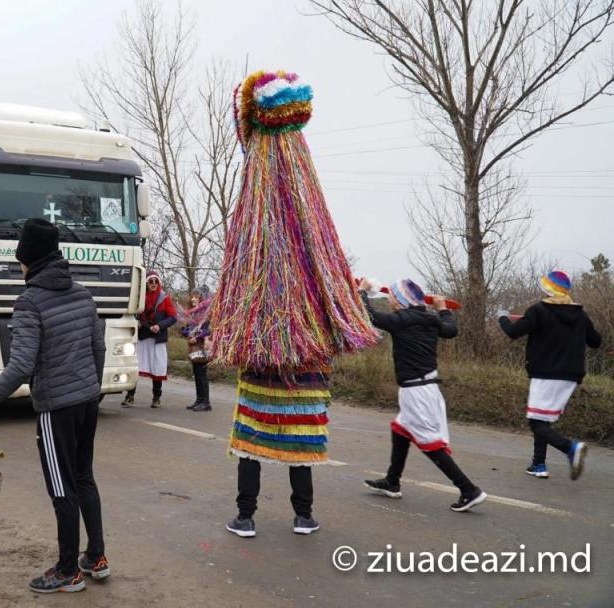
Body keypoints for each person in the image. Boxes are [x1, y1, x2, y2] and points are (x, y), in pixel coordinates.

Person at [209, 71, 379, 539]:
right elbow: (337, 295)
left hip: (263, 367)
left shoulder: (256, 245)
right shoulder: (313, 242)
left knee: (251, 444)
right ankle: (303, 515)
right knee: (298, 444)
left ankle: (246, 516)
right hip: (307, 368)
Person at [0, 218, 108, 594]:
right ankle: (96, 558)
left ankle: (66, 572)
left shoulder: (29, 301)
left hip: (56, 408)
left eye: (20, 259)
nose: (20, 266)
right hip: (87, 401)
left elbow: (21, 365)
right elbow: (98, 348)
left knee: (62, 489)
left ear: (29, 259)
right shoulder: (83, 293)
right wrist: (90, 386)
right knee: (83, 478)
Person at [359, 278, 487, 512]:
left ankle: (469, 489)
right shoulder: (431, 319)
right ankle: (392, 481)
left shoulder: (401, 320)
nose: (390, 302)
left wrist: (362, 291)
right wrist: (443, 309)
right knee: (401, 430)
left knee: (430, 443)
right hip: (425, 388)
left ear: (400, 301)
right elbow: (451, 330)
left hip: (417, 392)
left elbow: (368, 315)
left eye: (393, 298)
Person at [497, 270, 602, 480]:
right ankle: (538, 464)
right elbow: (595, 341)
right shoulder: (580, 314)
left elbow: (513, 332)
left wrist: (502, 318)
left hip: (546, 374)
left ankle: (571, 449)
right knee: (543, 420)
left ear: (546, 288)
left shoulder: (539, 310)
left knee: (536, 422)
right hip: (571, 376)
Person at [128, 271, 177, 408]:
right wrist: (136, 321)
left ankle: (156, 397)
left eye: (156, 281)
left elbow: (173, 317)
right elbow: (133, 313)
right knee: (136, 365)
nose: (153, 284)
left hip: (157, 338)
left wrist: (159, 326)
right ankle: (130, 395)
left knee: (157, 367)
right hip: (143, 336)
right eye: (151, 281)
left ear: (159, 283)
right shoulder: (139, 298)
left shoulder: (164, 298)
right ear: (146, 283)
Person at [181, 290, 211, 411]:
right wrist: (188, 333)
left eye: (196, 297)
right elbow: (185, 329)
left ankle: (205, 402)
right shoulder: (192, 314)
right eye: (192, 297)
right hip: (193, 347)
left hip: (202, 346)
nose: (193, 299)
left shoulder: (206, 314)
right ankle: (199, 400)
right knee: (197, 374)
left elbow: (209, 330)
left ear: (202, 299)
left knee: (202, 374)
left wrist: (196, 336)